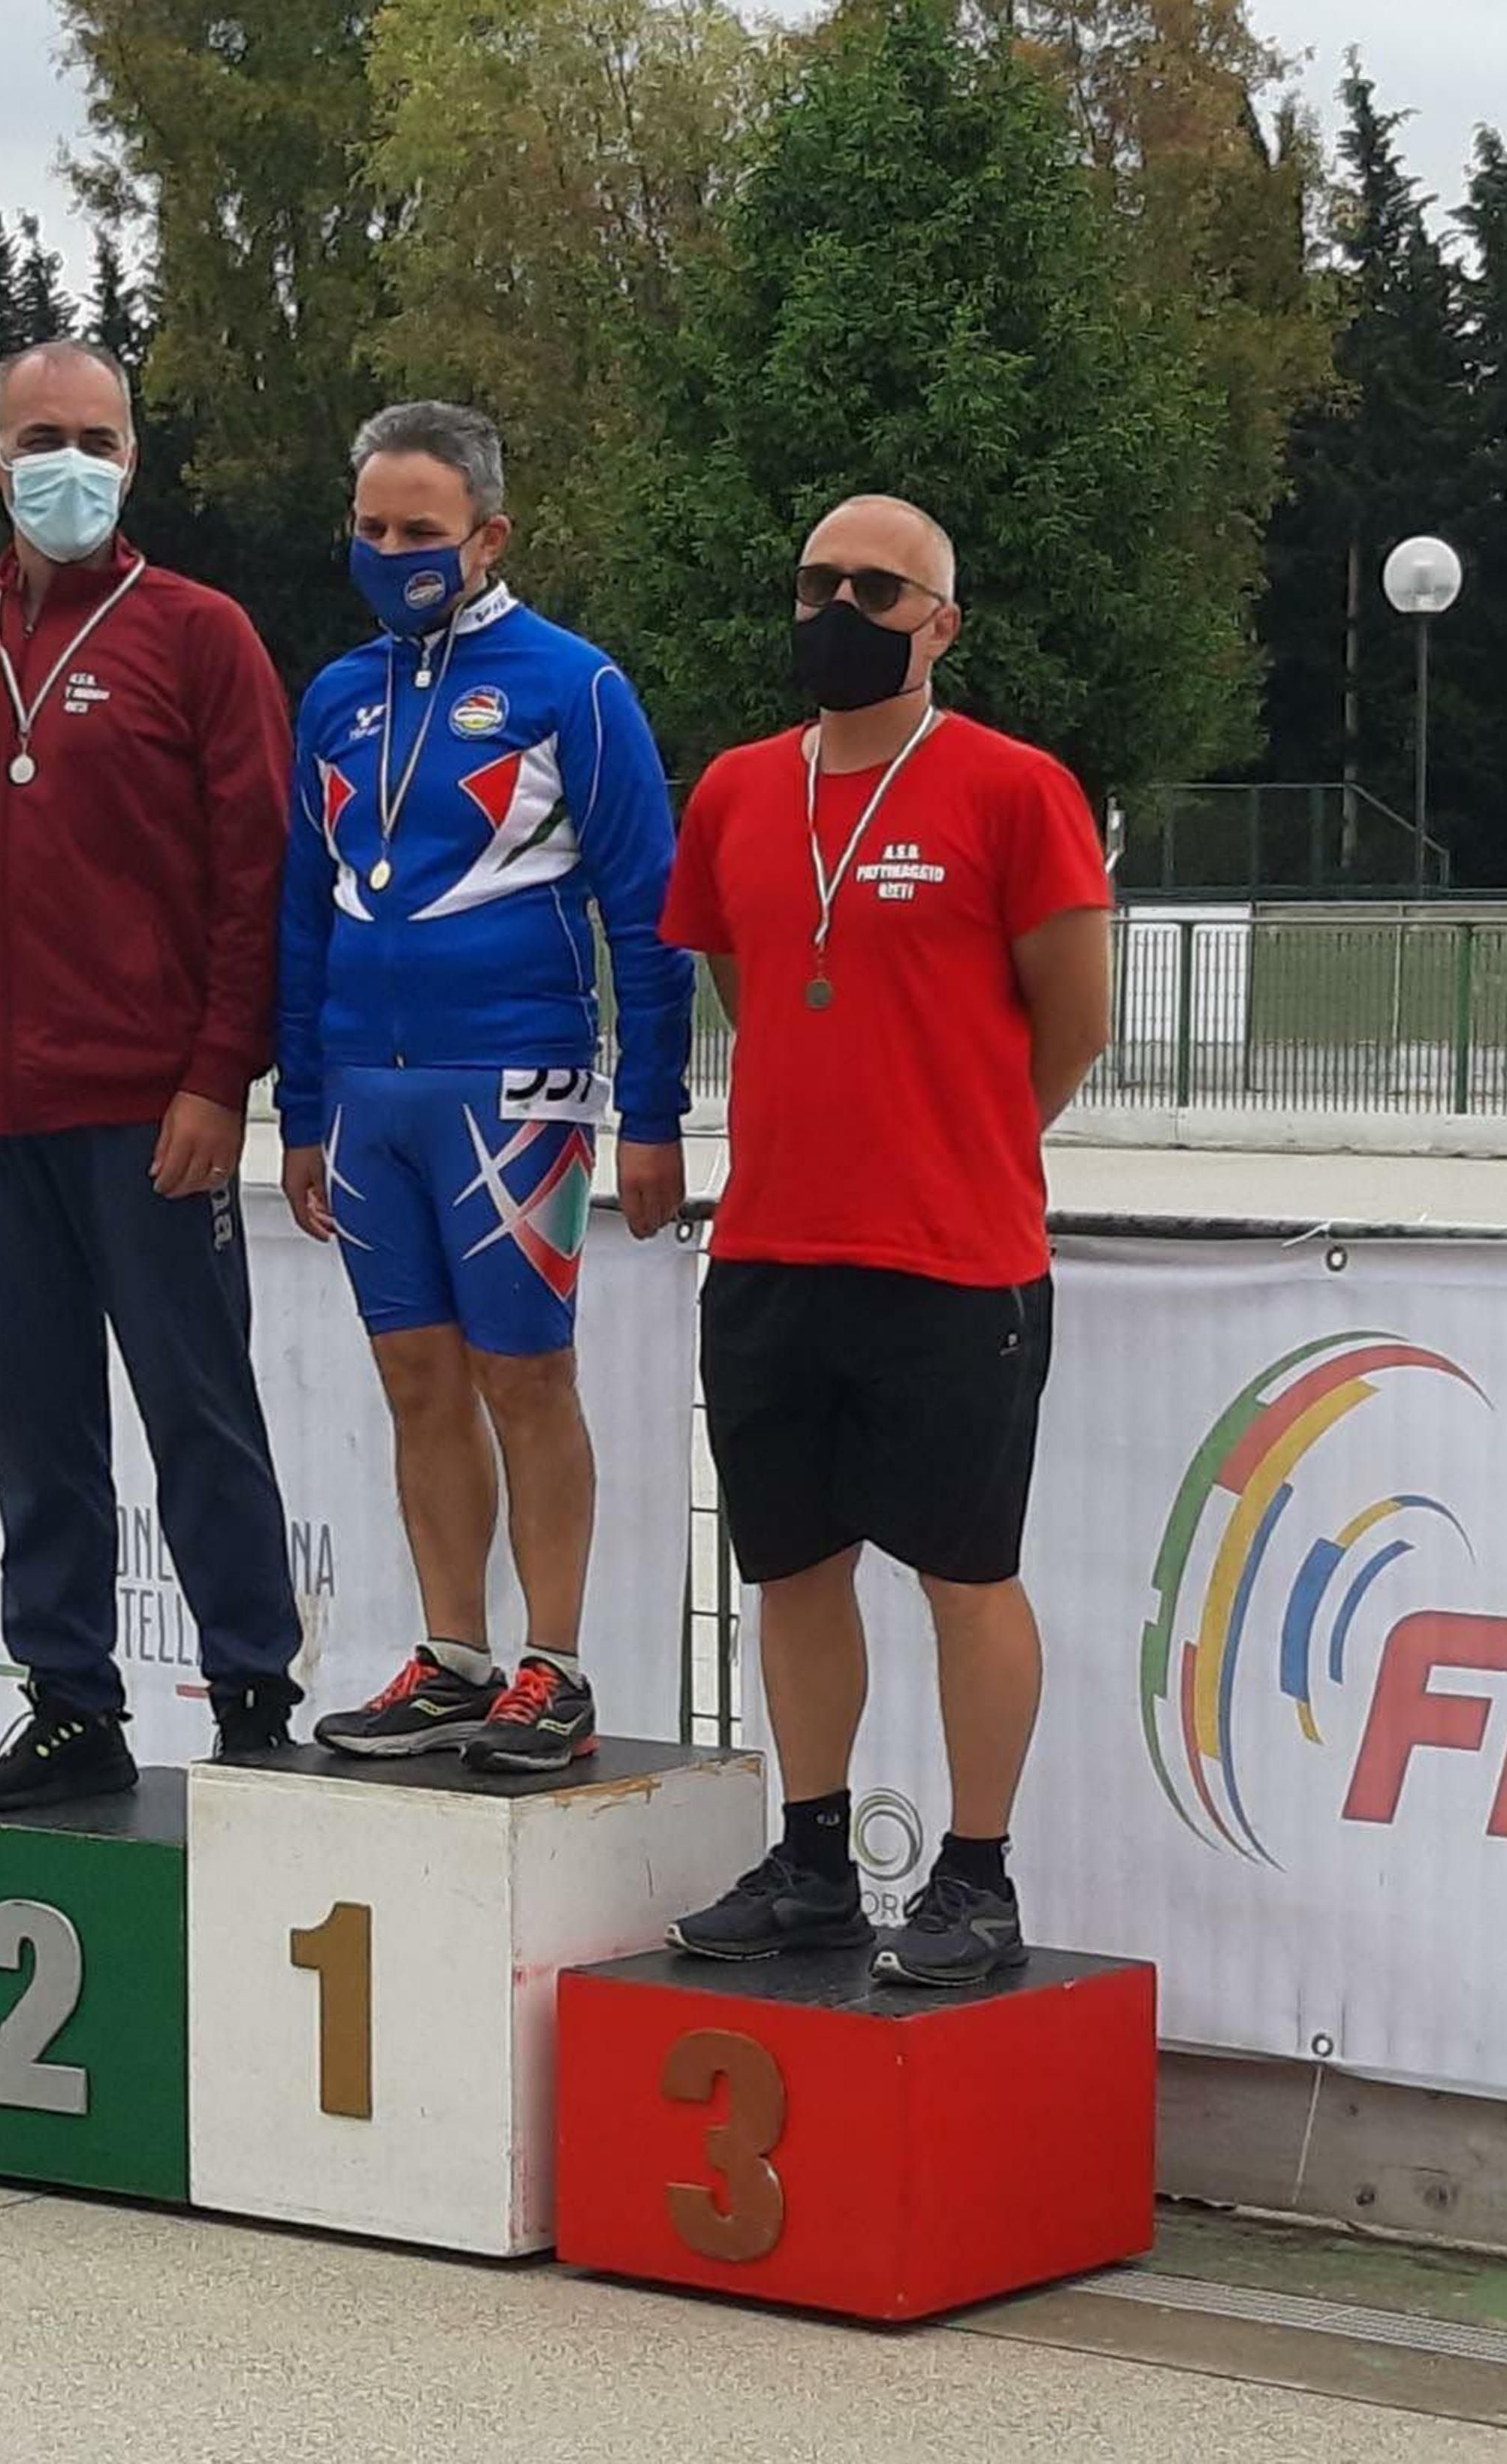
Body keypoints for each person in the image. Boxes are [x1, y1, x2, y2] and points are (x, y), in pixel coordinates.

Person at [654, 494, 1115, 1985]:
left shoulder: (1014, 789)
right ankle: (812, 1861)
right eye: (816, 583)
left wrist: (957, 1140)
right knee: (792, 1566)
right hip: (773, 1248)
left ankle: (976, 1878)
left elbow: (1076, 1020)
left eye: (876, 587)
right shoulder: (736, 791)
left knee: (963, 1574)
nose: (838, 609)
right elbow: (742, 984)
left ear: (941, 624)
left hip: (954, 1258)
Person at [0, 339, 306, 1808]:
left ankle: (253, 1698)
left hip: (147, 1112)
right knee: (36, 1426)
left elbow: (255, 878)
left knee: (199, 1412)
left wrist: (217, 1076)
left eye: (97, 439)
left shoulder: (199, 634)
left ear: (134, 459)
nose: (72, 462)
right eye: (42, 436)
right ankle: (69, 1702)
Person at [274, 402, 693, 1773]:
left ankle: (554, 1667)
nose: (392, 553)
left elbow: (651, 915)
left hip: (516, 1086)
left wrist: (653, 1113)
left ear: (490, 535)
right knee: (414, 1379)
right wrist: (301, 1106)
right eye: (372, 528)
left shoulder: (574, 685)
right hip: (366, 1094)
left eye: (422, 531)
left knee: (526, 1373)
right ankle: (454, 1658)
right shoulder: (336, 696)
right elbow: (303, 912)